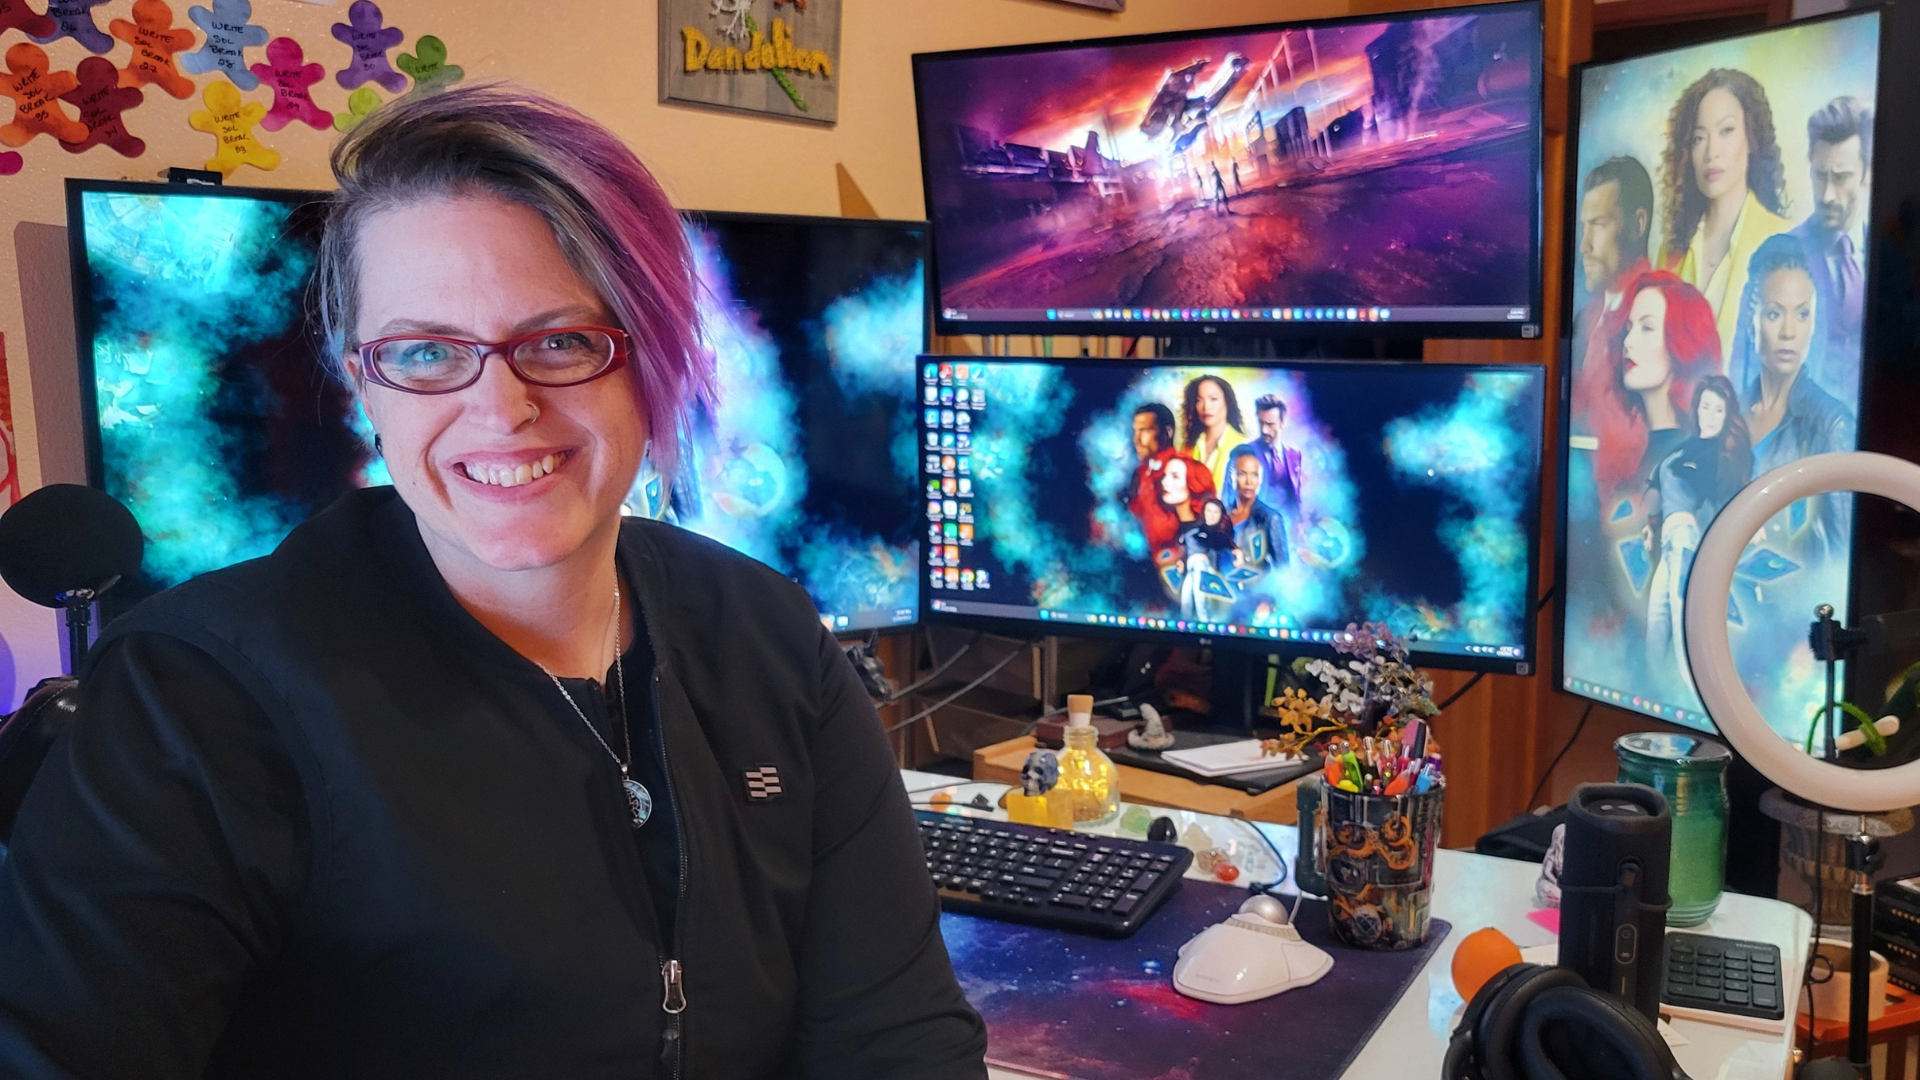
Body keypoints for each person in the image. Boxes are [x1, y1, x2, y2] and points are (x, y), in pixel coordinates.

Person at [0, 86, 987, 1079]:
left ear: (657, 353)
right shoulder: (195, 696)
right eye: (426, 352)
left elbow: (897, 1036)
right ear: (362, 384)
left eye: (561, 341)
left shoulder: (767, 630)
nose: (501, 407)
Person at [1658, 69, 1792, 355]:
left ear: (1752, 138)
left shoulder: (1784, 240)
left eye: (1726, 131)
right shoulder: (1670, 254)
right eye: (1698, 138)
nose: (1711, 152)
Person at [1739, 233, 1856, 558]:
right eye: (1775, 313)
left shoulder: (1831, 424)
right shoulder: (1730, 411)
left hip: (1793, 602)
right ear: (1753, 319)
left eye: (1802, 314)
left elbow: (1839, 556)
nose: (1789, 331)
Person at [1643, 375, 1751, 689]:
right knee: (1657, 627)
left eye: (1719, 410)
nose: (1710, 415)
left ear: (1728, 415)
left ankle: (1694, 700)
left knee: (1681, 632)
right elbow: (1655, 486)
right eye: (1706, 407)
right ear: (1697, 409)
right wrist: (1651, 526)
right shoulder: (1685, 448)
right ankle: (1657, 695)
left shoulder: (1719, 457)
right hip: (1668, 545)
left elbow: (1725, 498)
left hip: (1686, 543)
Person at [1579, 269, 1723, 502]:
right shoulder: (1651, 451)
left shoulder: (1688, 461)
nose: (1628, 342)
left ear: (1681, 343)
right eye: (1628, 328)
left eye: (1647, 328)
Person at [1788, 96, 1872, 398]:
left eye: (1841, 177)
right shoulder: (1785, 253)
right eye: (1820, 176)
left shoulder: (1890, 259)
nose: (1827, 195)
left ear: (1866, 173)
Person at [1571, 157, 1654, 420]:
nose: (1584, 245)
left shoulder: (1664, 322)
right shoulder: (1583, 322)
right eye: (1585, 226)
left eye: (1599, 224)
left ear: (1637, 224)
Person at [1233, 393, 1303, 516]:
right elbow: (1231, 493)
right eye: (1261, 423)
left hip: (1287, 525)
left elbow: (1295, 494)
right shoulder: (1246, 452)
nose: (1264, 430)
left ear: (1283, 422)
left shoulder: (1294, 455)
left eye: (1270, 424)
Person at [1177, 497, 1238, 620]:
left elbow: (1232, 547)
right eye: (1209, 511)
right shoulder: (1193, 529)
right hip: (1191, 570)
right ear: (1204, 512)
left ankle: (1205, 623)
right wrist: (1181, 561)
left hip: (1205, 569)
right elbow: (1183, 546)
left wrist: (1239, 556)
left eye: (1215, 512)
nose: (1211, 515)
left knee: (1201, 598)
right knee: (1186, 599)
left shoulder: (1220, 535)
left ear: (1221, 515)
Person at [1225, 446, 1285, 568]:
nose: (1249, 481)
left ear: (1260, 479)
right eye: (1242, 474)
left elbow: (1283, 569)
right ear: (1231, 477)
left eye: (1255, 475)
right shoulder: (1223, 514)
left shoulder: (1270, 518)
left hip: (1257, 585)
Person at [1181, 374, 1245, 485]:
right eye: (1199, 400)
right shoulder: (1188, 447)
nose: (1206, 407)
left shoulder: (1242, 446)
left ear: (1227, 402)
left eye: (1213, 399)